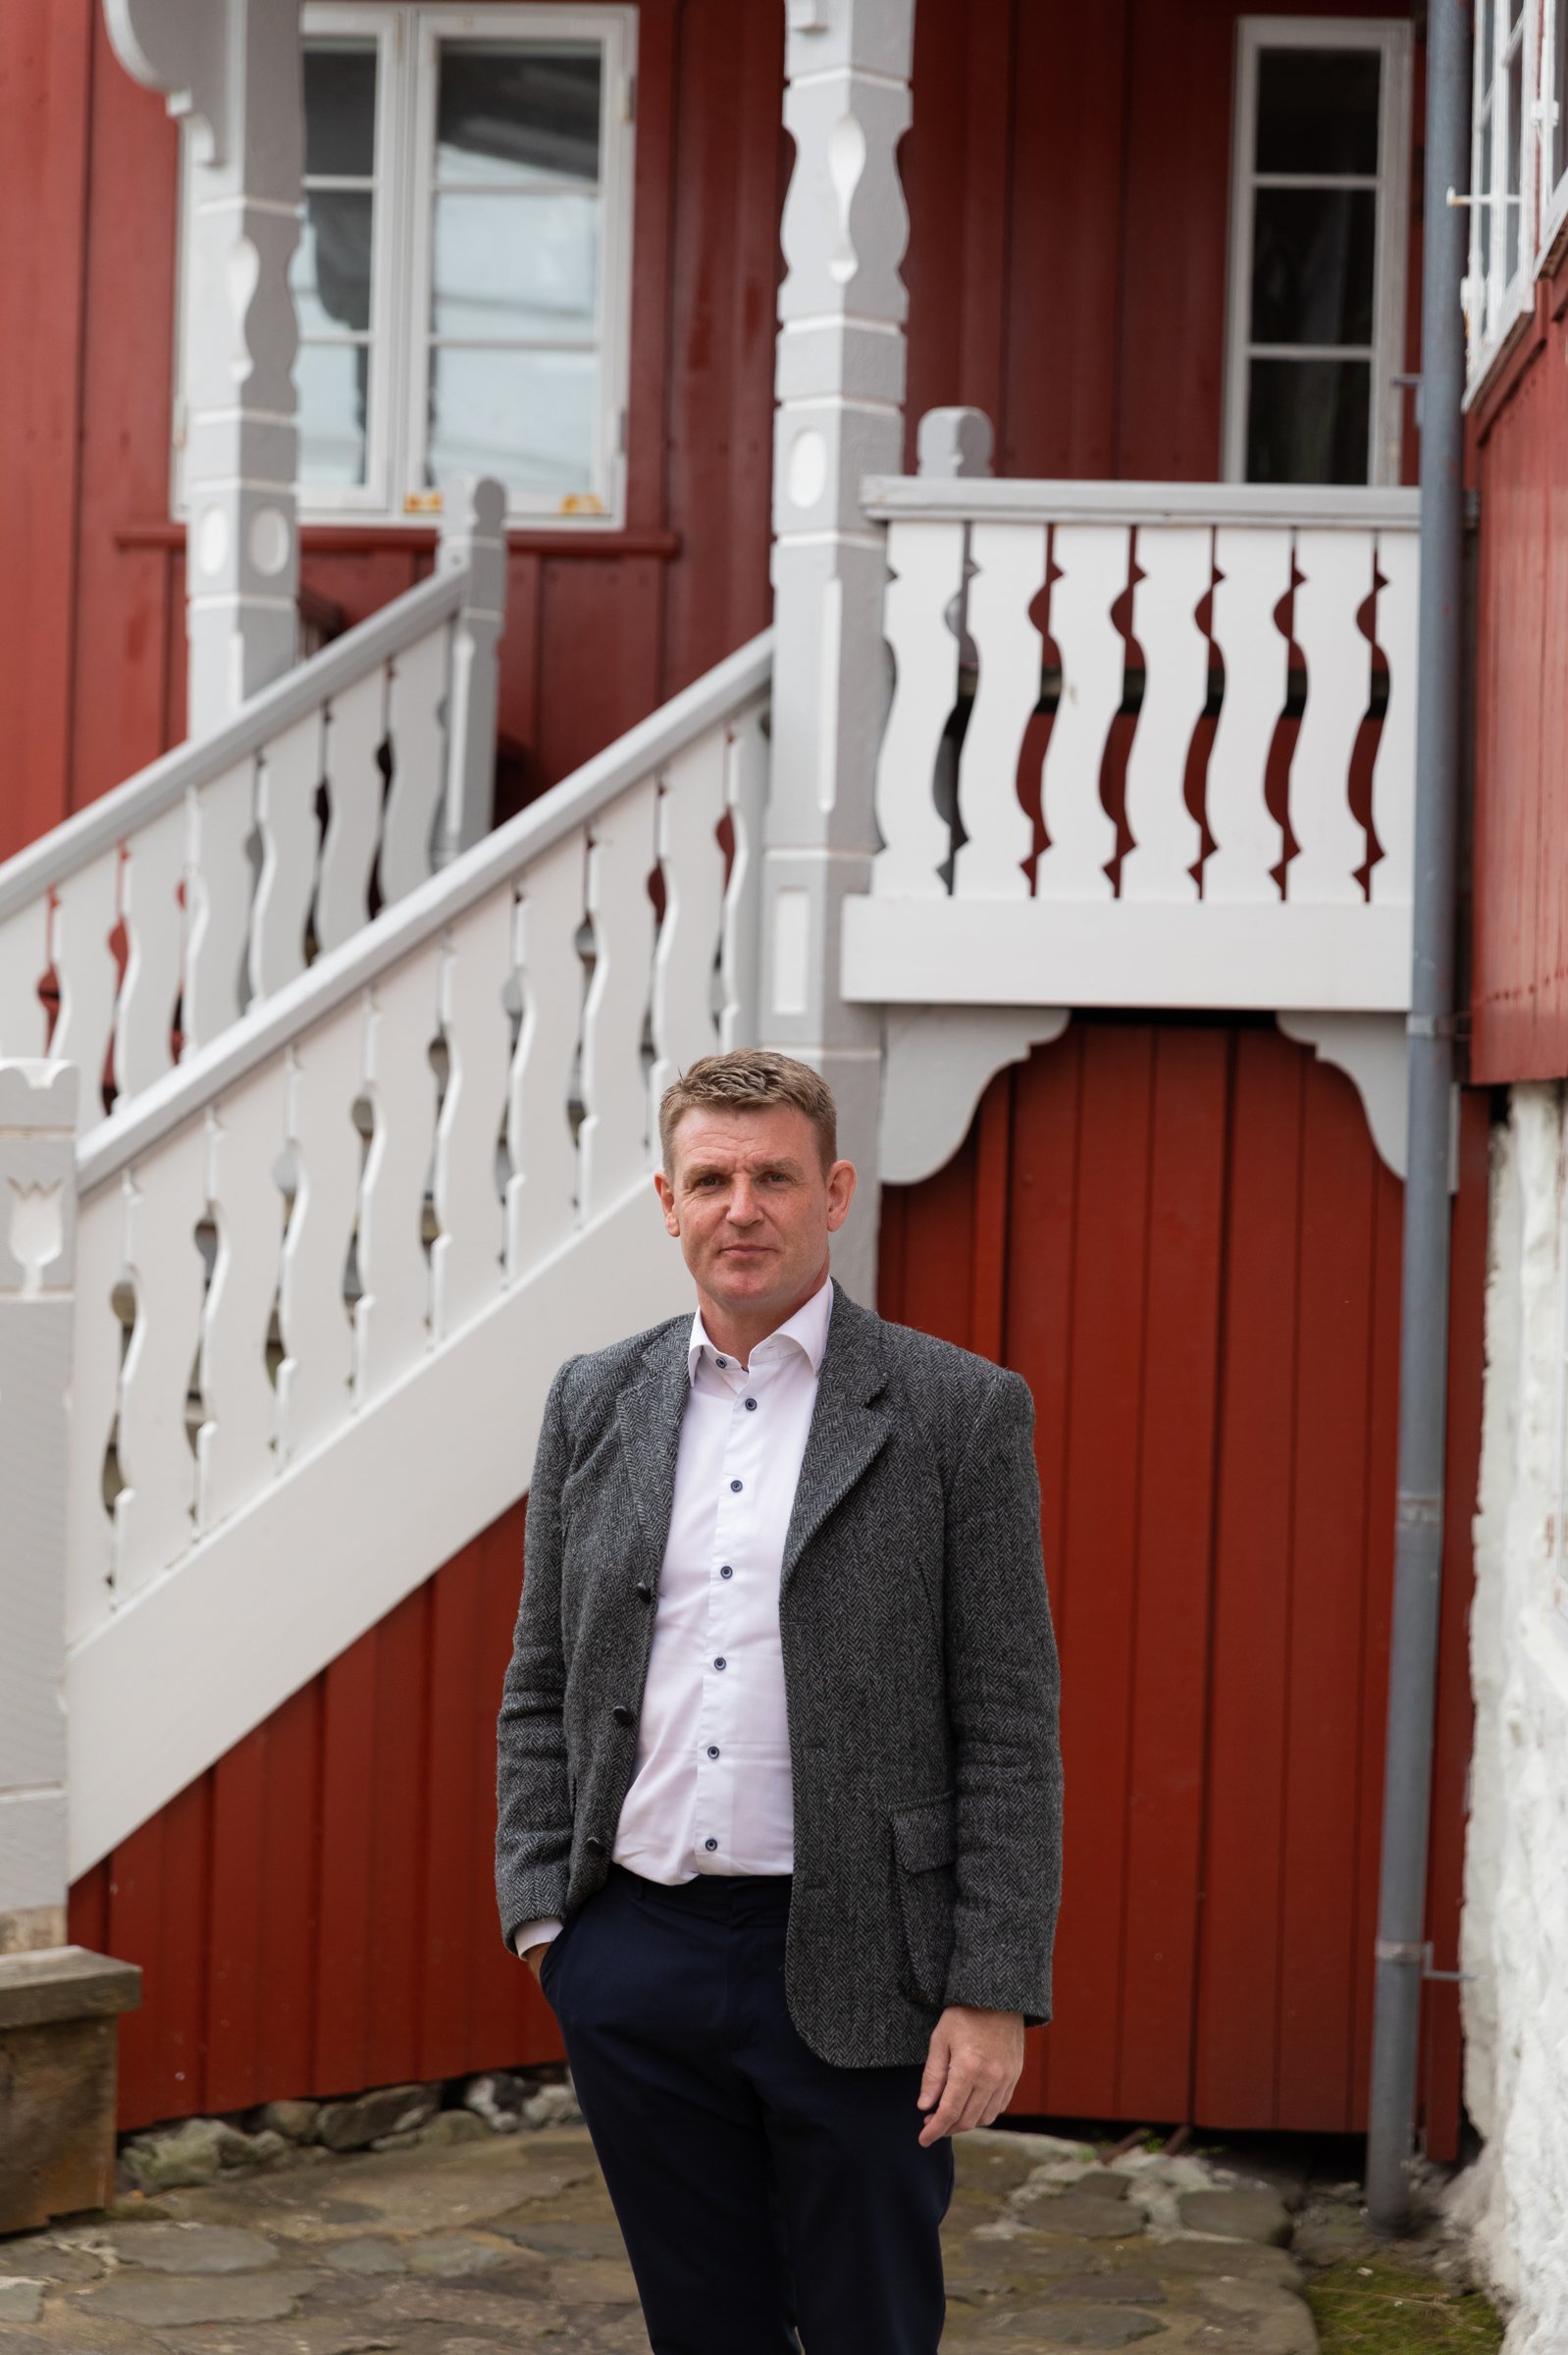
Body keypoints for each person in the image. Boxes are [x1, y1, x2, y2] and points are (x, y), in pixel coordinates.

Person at [495, 1048, 1063, 2355]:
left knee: (868, 2325)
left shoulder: (958, 1410)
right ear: (668, 1202)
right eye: (710, 1181)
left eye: (774, 1179)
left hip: (867, 1963)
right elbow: (541, 1678)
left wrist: (991, 1989)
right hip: (634, 1955)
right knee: (704, 2329)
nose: (740, 1209)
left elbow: (1008, 1725)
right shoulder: (594, 1399)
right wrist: (546, 1922)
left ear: (835, 1193)